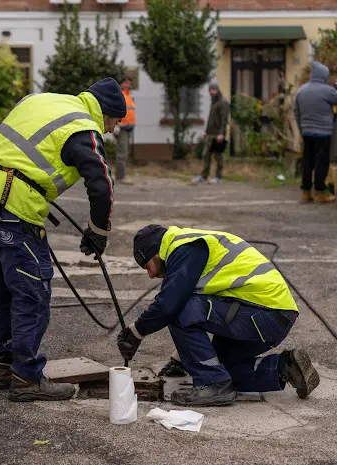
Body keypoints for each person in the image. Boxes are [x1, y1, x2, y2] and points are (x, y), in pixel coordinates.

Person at [0, 78, 126, 402]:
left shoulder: (40, 102)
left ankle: (5, 366)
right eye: (113, 123)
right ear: (105, 113)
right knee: (32, 290)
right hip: (13, 206)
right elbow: (101, 183)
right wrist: (98, 232)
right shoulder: (83, 126)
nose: (110, 130)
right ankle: (26, 376)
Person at [117, 224, 320, 407]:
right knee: (220, 369)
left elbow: (169, 305)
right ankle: (284, 367)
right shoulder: (190, 248)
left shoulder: (186, 247)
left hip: (263, 313)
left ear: (156, 253)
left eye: (147, 266)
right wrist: (181, 360)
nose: (150, 275)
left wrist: (135, 333)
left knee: (177, 308)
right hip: (271, 318)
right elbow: (206, 306)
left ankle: (213, 384)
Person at [294, 61, 337, 204]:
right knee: (321, 162)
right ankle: (320, 192)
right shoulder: (328, 91)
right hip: (323, 132)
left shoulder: (302, 90)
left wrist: (302, 128)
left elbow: (297, 112)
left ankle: (306, 192)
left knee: (308, 161)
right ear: (323, 75)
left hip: (307, 132)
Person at [193, 81, 229, 185]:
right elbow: (211, 119)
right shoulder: (213, 102)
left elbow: (224, 119)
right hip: (210, 134)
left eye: (214, 89)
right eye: (210, 90)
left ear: (217, 90)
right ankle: (203, 177)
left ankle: (218, 177)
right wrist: (206, 131)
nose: (212, 92)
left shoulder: (223, 102)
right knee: (206, 155)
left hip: (218, 134)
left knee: (218, 156)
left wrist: (221, 133)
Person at [114, 75, 136, 185]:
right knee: (122, 153)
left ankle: (121, 174)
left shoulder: (129, 97)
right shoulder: (119, 96)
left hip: (128, 128)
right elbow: (115, 111)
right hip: (121, 128)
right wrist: (116, 125)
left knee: (124, 153)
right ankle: (120, 176)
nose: (128, 85)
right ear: (121, 84)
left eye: (129, 83)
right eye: (126, 83)